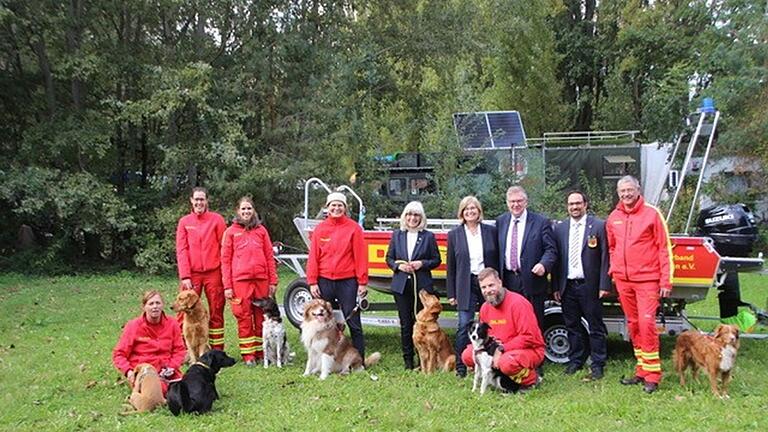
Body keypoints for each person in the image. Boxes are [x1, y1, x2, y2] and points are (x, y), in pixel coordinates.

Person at [606, 175, 673, 394]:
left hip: (647, 281)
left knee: (646, 324)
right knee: (633, 325)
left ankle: (653, 375)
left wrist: (666, 280)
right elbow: (612, 247)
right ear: (618, 193)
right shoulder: (613, 217)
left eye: (629, 190)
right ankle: (642, 369)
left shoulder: (652, 214)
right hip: (624, 281)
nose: (626, 194)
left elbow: (664, 248)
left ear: (638, 190)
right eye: (622, 191)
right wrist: (615, 270)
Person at [552, 191, 611, 380]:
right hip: (567, 286)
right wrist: (555, 287)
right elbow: (557, 260)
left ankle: (598, 363)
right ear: (567, 206)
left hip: (590, 286)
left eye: (578, 203)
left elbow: (605, 258)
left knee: (595, 326)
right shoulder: (560, 228)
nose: (574, 207)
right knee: (572, 326)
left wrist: (604, 284)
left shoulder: (599, 226)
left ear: (585, 204)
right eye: (571, 204)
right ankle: (576, 360)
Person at [460, 268, 545, 389]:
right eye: (484, 288)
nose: (488, 291)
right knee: (467, 355)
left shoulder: (518, 304)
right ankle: (496, 377)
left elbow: (529, 337)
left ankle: (532, 379)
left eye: (491, 285)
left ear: (500, 282)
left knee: (506, 363)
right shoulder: (485, 307)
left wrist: (501, 349)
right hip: (496, 349)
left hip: (528, 349)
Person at [307, 192, 369, 359]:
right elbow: (313, 257)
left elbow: (360, 256)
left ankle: (359, 360)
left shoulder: (354, 228)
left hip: (347, 282)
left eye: (340, 205)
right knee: (322, 323)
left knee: (354, 322)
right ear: (327, 208)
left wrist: (362, 282)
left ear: (345, 208)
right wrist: (312, 281)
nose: (336, 208)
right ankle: (323, 359)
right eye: (333, 205)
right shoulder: (320, 229)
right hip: (325, 281)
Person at [221, 197, 278, 366]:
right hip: (240, 281)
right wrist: (227, 286)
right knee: (244, 317)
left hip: (261, 280)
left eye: (249, 209)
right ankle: (248, 356)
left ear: (254, 211)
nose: (246, 212)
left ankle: (262, 352)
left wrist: (273, 281)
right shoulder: (230, 232)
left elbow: (269, 256)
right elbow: (225, 260)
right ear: (238, 211)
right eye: (243, 209)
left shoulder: (262, 231)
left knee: (262, 317)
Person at [385, 201, 442, 370]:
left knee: (423, 324)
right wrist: (398, 266)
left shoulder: (428, 237)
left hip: (421, 286)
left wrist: (422, 264)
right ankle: (408, 361)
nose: (412, 218)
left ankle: (422, 361)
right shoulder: (397, 235)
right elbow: (389, 258)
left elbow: (436, 260)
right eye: (409, 214)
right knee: (406, 323)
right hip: (401, 285)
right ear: (405, 216)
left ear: (421, 217)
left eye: (416, 215)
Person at [447, 196, 499, 378]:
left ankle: (493, 361)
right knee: (463, 324)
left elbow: (498, 259)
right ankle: (462, 365)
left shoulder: (490, 231)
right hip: (465, 283)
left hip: (487, 282)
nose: (470, 212)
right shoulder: (454, 235)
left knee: (492, 323)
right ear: (462, 213)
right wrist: (451, 292)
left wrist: (499, 284)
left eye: (473, 208)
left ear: (479, 211)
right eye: (466, 209)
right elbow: (451, 267)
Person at [496, 185, 557, 332]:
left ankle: (535, 354)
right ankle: (513, 353)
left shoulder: (541, 222)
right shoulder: (501, 221)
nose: (515, 205)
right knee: (510, 321)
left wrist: (544, 264)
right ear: (507, 203)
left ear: (526, 202)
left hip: (532, 279)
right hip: (508, 280)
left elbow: (551, 250)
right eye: (512, 201)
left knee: (533, 321)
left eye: (519, 201)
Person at [175, 187, 227, 351]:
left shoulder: (217, 220)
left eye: (202, 199)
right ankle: (183, 349)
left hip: (214, 273)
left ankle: (217, 349)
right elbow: (182, 250)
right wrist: (185, 276)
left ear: (207, 201)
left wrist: (224, 273)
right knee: (184, 310)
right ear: (191, 200)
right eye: (196, 199)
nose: (199, 202)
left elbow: (224, 248)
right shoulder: (184, 222)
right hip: (192, 274)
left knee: (216, 310)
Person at [113, 290, 186, 396]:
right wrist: (128, 371)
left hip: (167, 371)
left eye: (158, 303)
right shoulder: (133, 326)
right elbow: (119, 354)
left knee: (189, 388)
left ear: (162, 305)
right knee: (159, 391)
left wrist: (172, 367)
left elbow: (179, 350)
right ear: (144, 307)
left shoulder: (172, 324)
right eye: (151, 304)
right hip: (144, 371)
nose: (155, 307)